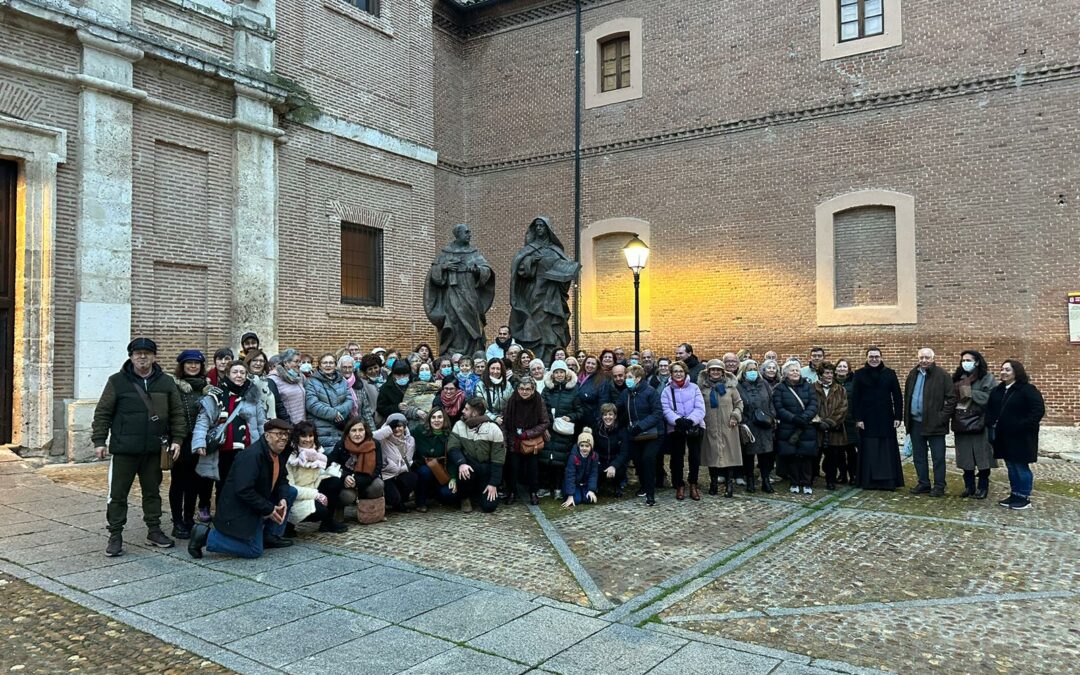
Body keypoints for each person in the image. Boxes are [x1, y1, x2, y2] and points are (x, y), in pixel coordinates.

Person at [92, 338, 186, 556]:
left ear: (154, 356)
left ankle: (154, 530)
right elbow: (103, 412)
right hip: (124, 449)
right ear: (131, 356)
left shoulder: (166, 382)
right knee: (117, 494)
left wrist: (178, 439)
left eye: (147, 353)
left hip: (154, 449)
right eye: (137, 353)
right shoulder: (116, 381)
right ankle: (115, 534)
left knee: (152, 492)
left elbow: (177, 412)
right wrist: (99, 441)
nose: (142, 357)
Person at [188, 418, 297, 559]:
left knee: (290, 492)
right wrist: (268, 509)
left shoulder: (278, 453)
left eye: (286, 435)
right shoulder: (252, 456)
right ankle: (206, 536)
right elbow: (244, 490)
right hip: (239, 509)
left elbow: (282, 479)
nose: (283, 438)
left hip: (258, 501)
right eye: (279, 434)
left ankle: (270, 536)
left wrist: (282, 498)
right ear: (267, 435)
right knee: (254, 550)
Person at [508, 216, 581, 363]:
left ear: (547, 228)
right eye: (537, 226)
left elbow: (565, 269)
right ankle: (534, 356)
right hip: (534, 293)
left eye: (542, 226)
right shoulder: (529, 250)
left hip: (552, 294)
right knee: (535, 321)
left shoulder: (555, 250)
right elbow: (520, 271)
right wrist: (530, 262)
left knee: (552, 325)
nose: (539, 229)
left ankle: (551, 357)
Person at [193, 360, 267, 502]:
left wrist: (264, 445)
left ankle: (241, 517)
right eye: (235, 372)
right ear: (227, 374)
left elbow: (261, 423)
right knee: (224, 485)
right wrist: (199, 442)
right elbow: (203, 420)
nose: (239, 375)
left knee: (246, 484)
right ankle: (223, 518)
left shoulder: (254, 397)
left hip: (247, 449)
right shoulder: (216, 395)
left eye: (242, 372)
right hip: (223, 450)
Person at [424, 223, 496, 357]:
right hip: (451, 295)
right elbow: (434, 274)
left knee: (473, 324)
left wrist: (477, 271)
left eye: (469, 232)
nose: (470, 235)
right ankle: (452, 353)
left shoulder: (474, 253)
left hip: (470, 295)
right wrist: (444, 267)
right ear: (458, 234)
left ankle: (474, 353)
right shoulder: (445, 253)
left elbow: (487, 270)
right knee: (454, 323)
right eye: (466, 232)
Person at [986, 360, 1045, 510]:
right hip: (1003, 435)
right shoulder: (998, 390)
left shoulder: (1027, 389)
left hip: (1021, 436)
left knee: (1020, 466)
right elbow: (991, 409)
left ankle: (1024, 497)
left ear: (1016, 372)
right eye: (1002, 369)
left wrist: (1022, 425)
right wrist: (990, 422)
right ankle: (1015, 494)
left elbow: (1038, 410)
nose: (1004, 372)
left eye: (1008, 370)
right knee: (1011, 466)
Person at [904, 348, 957, 497]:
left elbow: (951, 398)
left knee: (938, 457)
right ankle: (923, 483)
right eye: (921, 357)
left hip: (935, 424)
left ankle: (939, 486)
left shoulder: (942, 375)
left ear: (933, 358)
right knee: (919, 456)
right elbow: (907, 397)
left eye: (927, 357)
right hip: (915, 423)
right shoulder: (913, 374)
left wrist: (941, 418)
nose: (924, 360)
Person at [169, 349, 211, 539]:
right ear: (182, 365)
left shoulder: (206, 386)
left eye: (197, 363)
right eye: (189, 363)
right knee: (178, 482)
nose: (193, 366)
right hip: (181, 439)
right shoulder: (174, 386)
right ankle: (177, 521)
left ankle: (188, 518)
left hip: (199, 440)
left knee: (194, 482)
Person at [851, 347, 904, 490]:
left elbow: (897, 396)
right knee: (869, 449)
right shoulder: (859, 374)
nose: (874, 359)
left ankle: (888, 481)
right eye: (871, 356)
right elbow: (855, 398)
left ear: (881, 357)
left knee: (886, 449)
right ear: (867, 358)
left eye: (876, 356)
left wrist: (898, 416)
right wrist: (858, 418)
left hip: (886, 417)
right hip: (867, 419)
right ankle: (868, 481)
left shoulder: (890, 374)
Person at [284, 421, 346, 533]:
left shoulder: (317, 452)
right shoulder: (290, 457)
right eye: (303, 436)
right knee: (321, 511)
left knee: (335, 482)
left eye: (310, 436)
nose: (308, 440)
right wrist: (316, 495)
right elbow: (290, 489)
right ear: (297, 437)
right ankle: (288, 524)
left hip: (313, 487)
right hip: (297, 496)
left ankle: (327, 523)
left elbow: (318, 475)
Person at [951, 350, 998, 499]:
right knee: (965, 458)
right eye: (963, 360)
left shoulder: (987, 378)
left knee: (983, 458)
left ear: (977, 361)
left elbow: (990, 398)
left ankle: (983, 487)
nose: (965, 363)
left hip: (979, 422)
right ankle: (969, 486)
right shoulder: (958, 378)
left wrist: (969, 392)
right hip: (962, 423)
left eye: (968, 360)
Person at [447, 398, 505, 513]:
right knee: (464, 472)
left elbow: (498, 459)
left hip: (485, 469)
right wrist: (461, 463)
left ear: (474, 413)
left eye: (466, 409)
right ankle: (465, 498)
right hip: (469, 466)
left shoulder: (493, 429)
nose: (463, 411)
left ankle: (481, 493)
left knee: (489, 507)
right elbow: (453, 447)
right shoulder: (459, 425)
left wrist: (493, 483)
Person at [617, 364, 665, 506]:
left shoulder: (650, 392)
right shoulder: (626, 393)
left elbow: (657, 413)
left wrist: (641, 425)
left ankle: (650, 493)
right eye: (627, 377)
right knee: (637, 460)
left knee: (648, 458)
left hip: (653, 433)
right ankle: (644, 485)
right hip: (635, 434)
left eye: (630, 377)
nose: (627, 380)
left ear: (638, 378)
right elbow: (618, 407)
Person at [661, 360, 706, 501]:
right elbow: (665, 409)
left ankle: (693, 483)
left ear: (685, 372)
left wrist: (691, 420)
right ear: (671, 373)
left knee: (694, 457)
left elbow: (700, 407)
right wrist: (678, 420)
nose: (678, 374)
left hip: (694, 426)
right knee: (677, 457)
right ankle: (679, 484)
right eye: (675, 371)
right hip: (676, 427)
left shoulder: (694, 388)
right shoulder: (667, 390)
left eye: (681, 371)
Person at [698, 358, 744, 497]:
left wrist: (735, 416)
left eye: (718, 370)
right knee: (712, 455)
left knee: (729, 455)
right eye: (713, 369)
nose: (715, 372)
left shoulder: (731, 388)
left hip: (728, 426)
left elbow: (739, 403)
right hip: (710, 426)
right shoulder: (703, 388)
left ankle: (729, 484)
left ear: (723, 372)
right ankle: (713, 483)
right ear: (708, 371)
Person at [773, 361, 820, 494]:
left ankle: (806, 483)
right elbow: (779, 407)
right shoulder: (779, 388)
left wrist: (804, 418)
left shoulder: (808, 386)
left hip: (806, 426)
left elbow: (813, 403)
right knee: (792, 456)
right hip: (789, 426)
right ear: (785, 373)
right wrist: (793, 418)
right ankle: (794, 482)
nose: (795, 373)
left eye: (797, 370)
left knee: (806, 456)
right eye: (792, 370)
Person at [502, 378, 550, 505]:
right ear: (517, 389)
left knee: (532, 468)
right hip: (514, 439)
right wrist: (506, 441)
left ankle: (533, 492)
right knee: (513, 467)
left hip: (531, 440)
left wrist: (528, 434)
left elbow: (545, 422)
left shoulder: (538, 400)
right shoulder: (511, 400)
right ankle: (512, 492)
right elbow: (505, 422)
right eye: (522, 389)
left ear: (533, 389)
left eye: (528, 389)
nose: (524, 392)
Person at [329, 419, 385, 522]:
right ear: (348, 432)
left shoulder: (374, 444)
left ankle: (370, 511)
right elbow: (332, 464)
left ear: (366, 431)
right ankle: (339, 508)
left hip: (366, 479)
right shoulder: (341, 445)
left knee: (378, 485)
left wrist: (358, 481)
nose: (357, 434)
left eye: (361, 430)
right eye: (353, 430)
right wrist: (344, 476)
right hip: (347, 482)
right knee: (347, 496)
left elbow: (378, 467)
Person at [541, 360, 583, 498]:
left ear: (566, 374)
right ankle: (546, 486)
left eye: (561, 372)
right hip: (549, 429)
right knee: (546, 459)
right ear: (552, 375)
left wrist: (570, 417)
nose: (559, 375)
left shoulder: (574, 390)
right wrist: (544, 426)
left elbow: (580, 411)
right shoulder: (547, 390)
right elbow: (541, 410)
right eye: (556, 372)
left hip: (564, 431)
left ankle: (558, 488)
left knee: (561, 461)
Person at [737, 359, 776, 494]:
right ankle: (750, 480)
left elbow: (771, 401)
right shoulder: (738, 386)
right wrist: (743, 421)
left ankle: (765, 480)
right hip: (748, 425)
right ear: (744, 372)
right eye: (749, 370)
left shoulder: (764, 384)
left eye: (754, 369)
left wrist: (771, 416)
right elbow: (737, 404)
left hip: (764, 423)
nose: (752, 372)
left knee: (765, 454)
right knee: (748, 455)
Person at [305, 353, 353, 450]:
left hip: (340, 426)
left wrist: (338, 413)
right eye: (325, 363)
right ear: (319, 365)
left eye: (331, 362)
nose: (328, 365)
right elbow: (311, 404)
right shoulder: (311, 381)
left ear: (335, 365)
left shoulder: (342, 381)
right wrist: (333, 413)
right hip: (321, 429)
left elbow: (349, 400)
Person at [373, 414, 420, 512]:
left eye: (400, 426)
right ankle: (395, 501)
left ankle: (400, 502)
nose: (397, 429)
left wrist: (399, 469)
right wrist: (388, 428)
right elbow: (373, 437)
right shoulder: (383, 439)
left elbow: (409, 459)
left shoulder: (410, 440)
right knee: (393, 498)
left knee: (412, 478)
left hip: (400, 472)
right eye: (394, 426)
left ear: (404, 427)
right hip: (386, 474)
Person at [813, 362, 849, 490]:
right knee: (814, 455)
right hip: (817, 429)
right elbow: (810, 406)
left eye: (831, 373)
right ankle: (812, 478)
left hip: (835, 430)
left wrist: (829, 422)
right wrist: (818, 421)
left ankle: (831, 480)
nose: (830, 375)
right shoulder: (812, 388)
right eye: (827, 373)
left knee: (833, 457)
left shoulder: (840, 389)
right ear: (820, 374)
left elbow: (842, 408)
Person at [411, 408, 450, 512]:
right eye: (433, 417)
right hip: (422, 468)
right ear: (429, 419)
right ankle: (420, 502)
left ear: (444, 419)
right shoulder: (419, 431)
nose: (436, 420)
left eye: (439, 417)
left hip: (441, 471)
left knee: (447, 495)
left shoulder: (448, 435)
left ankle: (435, 494)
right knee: (425, 471)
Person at [595, 403, 630, 496]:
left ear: (615, 416)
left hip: (616, 461)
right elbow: (594, 450)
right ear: (602, 416)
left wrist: (614, 465)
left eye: (610, 414)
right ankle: (597, 486)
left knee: (620, 470)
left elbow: (624, 452)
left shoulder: (622, 431)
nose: (608, 417)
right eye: (605, 414)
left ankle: (618, 486)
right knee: (596, 469)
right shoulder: (597, 430)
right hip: (601, 461)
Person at [833, 358, 859, 485]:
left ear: (848, 369)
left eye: (844, 367)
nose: (842, 369)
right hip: (836, 422)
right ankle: (842, 474)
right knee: (838, 451)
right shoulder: (831, 382)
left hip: (850, 421)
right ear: (836, 369)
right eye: (839, 366)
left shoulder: (854, 383)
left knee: (851, 450)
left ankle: (853, 474)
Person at [561, 428, 599, 508]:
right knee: (576, 500)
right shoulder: (573, 457)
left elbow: (593, 474)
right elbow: (570, 476)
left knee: (588, 499)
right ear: (578, 446)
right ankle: (571, 494)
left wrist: (591, 490)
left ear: (591, 447)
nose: (584, 448)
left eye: (587, 446)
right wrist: (570, 495)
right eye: (582, 445)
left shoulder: (594, 456)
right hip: (574, 483)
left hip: (585, 484)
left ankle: (584, 492)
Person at [269, 349, 307, 424]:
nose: (299, 364)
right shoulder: (273, 379)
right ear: (286, 362)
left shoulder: (300, 377)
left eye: (300, 362)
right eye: (296, 361)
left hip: (302, 424)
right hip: (287, 425)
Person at [475, 358, 514, 425]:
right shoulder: (481, 385)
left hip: (506, 419)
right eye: (493, 368)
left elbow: (513, 403)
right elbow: (480, 407)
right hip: (487, 421)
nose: (495, 371)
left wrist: (506, 416)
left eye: (498, 369)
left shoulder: (507, 384)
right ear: (488, 369)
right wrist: (494, 418)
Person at [376, 359, 413, 425]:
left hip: (412, 420)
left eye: (404, 375)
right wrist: (397, 407)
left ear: (409, 374)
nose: (402, 377)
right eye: (398, 375)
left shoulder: (414, 385)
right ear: (393, 375)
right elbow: (381, 408)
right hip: (394, 423)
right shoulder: (386, 388)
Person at [356, 354, 385, 427]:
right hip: (372, 421)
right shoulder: (362, 383)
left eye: (375, 367)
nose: (374, 371)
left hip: (385, 419)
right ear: (365, 371)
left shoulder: (385, 380)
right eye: (370, 369)